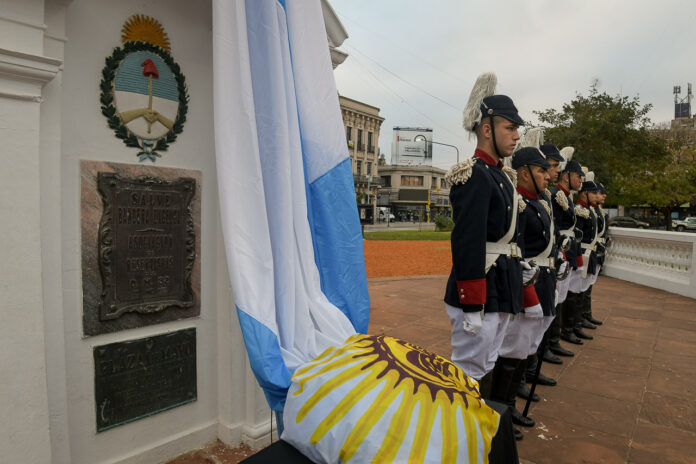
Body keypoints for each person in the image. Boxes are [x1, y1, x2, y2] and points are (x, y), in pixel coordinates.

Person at [443, 73, 525, 424]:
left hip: (500, 285)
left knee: (487, 363)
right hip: (480, 289)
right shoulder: (474, 174)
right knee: (468, 372)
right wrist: (472, 302)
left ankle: (482, 432)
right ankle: (457, 437)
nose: (517, 135)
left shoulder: (501, 176)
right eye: (510, 127)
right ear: (487, 129)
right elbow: (467, 241)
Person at [494, 146, 555, 431]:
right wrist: (527, 289)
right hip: (525, 282)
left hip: (542, 278)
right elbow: (513, 250)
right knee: (513, 348)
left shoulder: (539, 202)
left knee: (526, 346)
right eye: (542, 170)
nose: (548, 176)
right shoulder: (517, 204)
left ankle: (510, 405)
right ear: (525, 173)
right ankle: (501, 412)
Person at [549, 149, 585, 349]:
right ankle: (552, 342)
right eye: (578, 176)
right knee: (556, 298)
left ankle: (556, 339)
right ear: (566, 176)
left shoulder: (566, 197)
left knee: (563, 296)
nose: (581, 180)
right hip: (559, 250)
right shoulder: (556, 196)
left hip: (568, 250)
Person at [565, 171, 601, 341]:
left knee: (582, 290)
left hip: (589, 253)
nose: (596, 196)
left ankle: (577, 324)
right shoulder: (580, 210)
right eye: (593, 192)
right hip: (581, 253)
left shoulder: (589, 210)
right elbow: (577, 236)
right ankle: (569, 328)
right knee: (574, 292)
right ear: (584, 193)